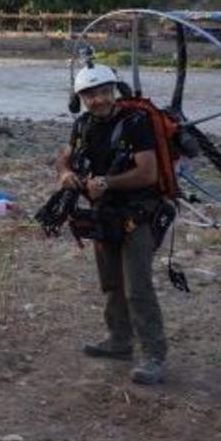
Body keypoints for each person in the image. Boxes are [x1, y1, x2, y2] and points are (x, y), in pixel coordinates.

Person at [56, 64, 167, 385]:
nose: (99, 99)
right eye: (91, 94)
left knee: (138, 288)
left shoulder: (137, 123)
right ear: (80, 98)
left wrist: (107, 183)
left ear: (114, 90)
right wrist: (65, 173)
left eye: (105, 92)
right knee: (111, 283)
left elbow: (149, 173)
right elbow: (66, 155)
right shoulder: (83, 125)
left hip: (138, 214)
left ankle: (154, 355)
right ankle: (119, 341)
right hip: (103, 215)